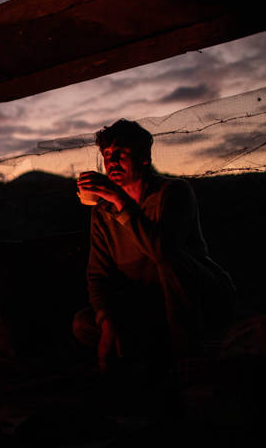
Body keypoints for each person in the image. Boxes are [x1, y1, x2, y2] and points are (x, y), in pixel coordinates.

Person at [73, 119, 235, 372]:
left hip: (196, 299)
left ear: (144, 157)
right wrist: (106, 323)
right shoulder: (102, 211)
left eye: (121, 153)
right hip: (148, 306)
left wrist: (118, 198)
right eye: (107, 155)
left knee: (168, 262)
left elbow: (163, 252)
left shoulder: (172, 192)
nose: (112, 161)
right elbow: (98, 274)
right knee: (85, 323)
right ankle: (150, 353)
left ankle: (187, 361)